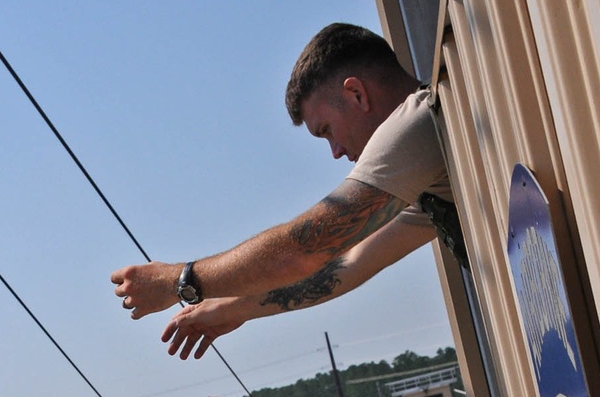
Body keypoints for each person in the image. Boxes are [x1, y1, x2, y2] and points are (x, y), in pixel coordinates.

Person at [112, 23, 461, 359]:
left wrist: (179, 281)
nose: (336, 151)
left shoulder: (415, 124)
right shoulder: (424, 178)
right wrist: (235, 306)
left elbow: (305, 248)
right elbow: (344, 265)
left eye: (327, 130)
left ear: (356, 94)